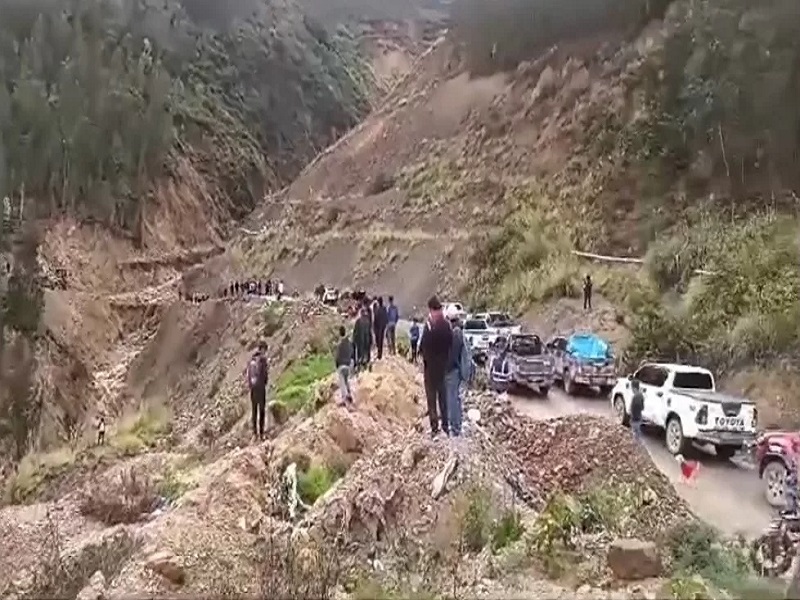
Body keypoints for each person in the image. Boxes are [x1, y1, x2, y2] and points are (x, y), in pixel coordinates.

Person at [419, 296, 453, 438]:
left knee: (432, 399)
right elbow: (450, 345)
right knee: (443, 398)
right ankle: (446, 425)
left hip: (430, 369)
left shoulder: (429, 326)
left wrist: (424, 358)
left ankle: (435, 428)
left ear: (432, 310)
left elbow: (423, 346)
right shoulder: (447, 325)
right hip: (443, 368)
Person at [445, 317, 473, 441]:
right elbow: (466, 358)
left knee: (451, 399)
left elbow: (451, 356)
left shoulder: (454, 335)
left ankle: (455, 428)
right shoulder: (460, 335)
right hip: (457, 372)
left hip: (451, 371)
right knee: (456, 399)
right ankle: (457, 425)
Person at [246, 341, 269, 441]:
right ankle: (262, 433)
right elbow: (264, 375)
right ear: (263, 349)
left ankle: (254, 434)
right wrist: (265, 382)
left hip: (253, 389)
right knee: (262, 410)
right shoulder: (262, 360)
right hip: (260, 388)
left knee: (254, 411)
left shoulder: (252, 359)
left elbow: (248, 375)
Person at [334, 325, 355, 407]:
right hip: (348, 364)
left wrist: (337, 364)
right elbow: (352, 353)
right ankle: (349, 394)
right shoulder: (349, 343)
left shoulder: (339, 345)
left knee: (342, 382)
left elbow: (337, 356)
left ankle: (344, 398)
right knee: (347, 380)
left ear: (339, 333)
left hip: (341, 365)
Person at [352, 307, 373, 372]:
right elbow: (370, 331)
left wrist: (354, 340)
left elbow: (355, 332)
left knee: (360, 354)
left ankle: (360, 366)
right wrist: (371, 340)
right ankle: (365, 365)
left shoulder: (358, 321)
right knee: (366, 353)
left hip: (360, 341)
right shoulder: (368, 321)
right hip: (367, 340)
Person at [630, 378, 644, 442]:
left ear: (634, 388)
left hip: (635, 419)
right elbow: (642, 407)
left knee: (635, 434)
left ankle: (637, 446)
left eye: (632, 388)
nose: (631, 390)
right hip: (639, 417)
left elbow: (632, 409)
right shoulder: (641, 395)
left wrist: (632, 418)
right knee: (638, 433)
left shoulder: (634, 397)